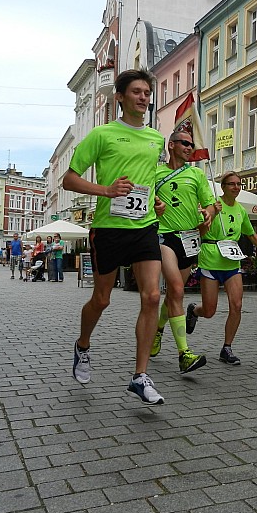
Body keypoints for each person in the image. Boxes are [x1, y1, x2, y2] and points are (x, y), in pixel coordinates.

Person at [62, 68, 167, 405]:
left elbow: (147, 180)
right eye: (136, 92)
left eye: (147, 93)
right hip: (109, 228)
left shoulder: (155, 138)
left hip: (144, 226)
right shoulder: (102, 135)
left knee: (152, 297)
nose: (143, 97)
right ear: (120, 97)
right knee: (102, 299)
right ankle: (83, 345)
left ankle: (140, 375)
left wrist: (155, 201)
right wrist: (105, 190)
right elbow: (70, 180)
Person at [184, 171, 257, 366]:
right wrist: (211, 214)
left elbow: (250, 233)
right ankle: (195, 311)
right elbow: (200, 231)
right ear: (223, 187)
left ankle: (227, 348)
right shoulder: (213, 205)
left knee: (237, 305)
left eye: (239, 184)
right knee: (210, 310)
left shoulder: (240, 210)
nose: (236, 187)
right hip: (211, 260)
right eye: (231, 184)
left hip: (232, 262)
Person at [149, 131, 215, 373]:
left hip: (190, 238)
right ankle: (184, 354)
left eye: (192, 144)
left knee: (175, 295)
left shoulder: (196, 174)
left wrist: (208, 213)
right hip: (164, 236)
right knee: (176, 289)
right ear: (172, 145)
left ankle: (158, 328)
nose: (190, 148)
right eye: (185, 143)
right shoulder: (155, 173)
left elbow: (208, 203)